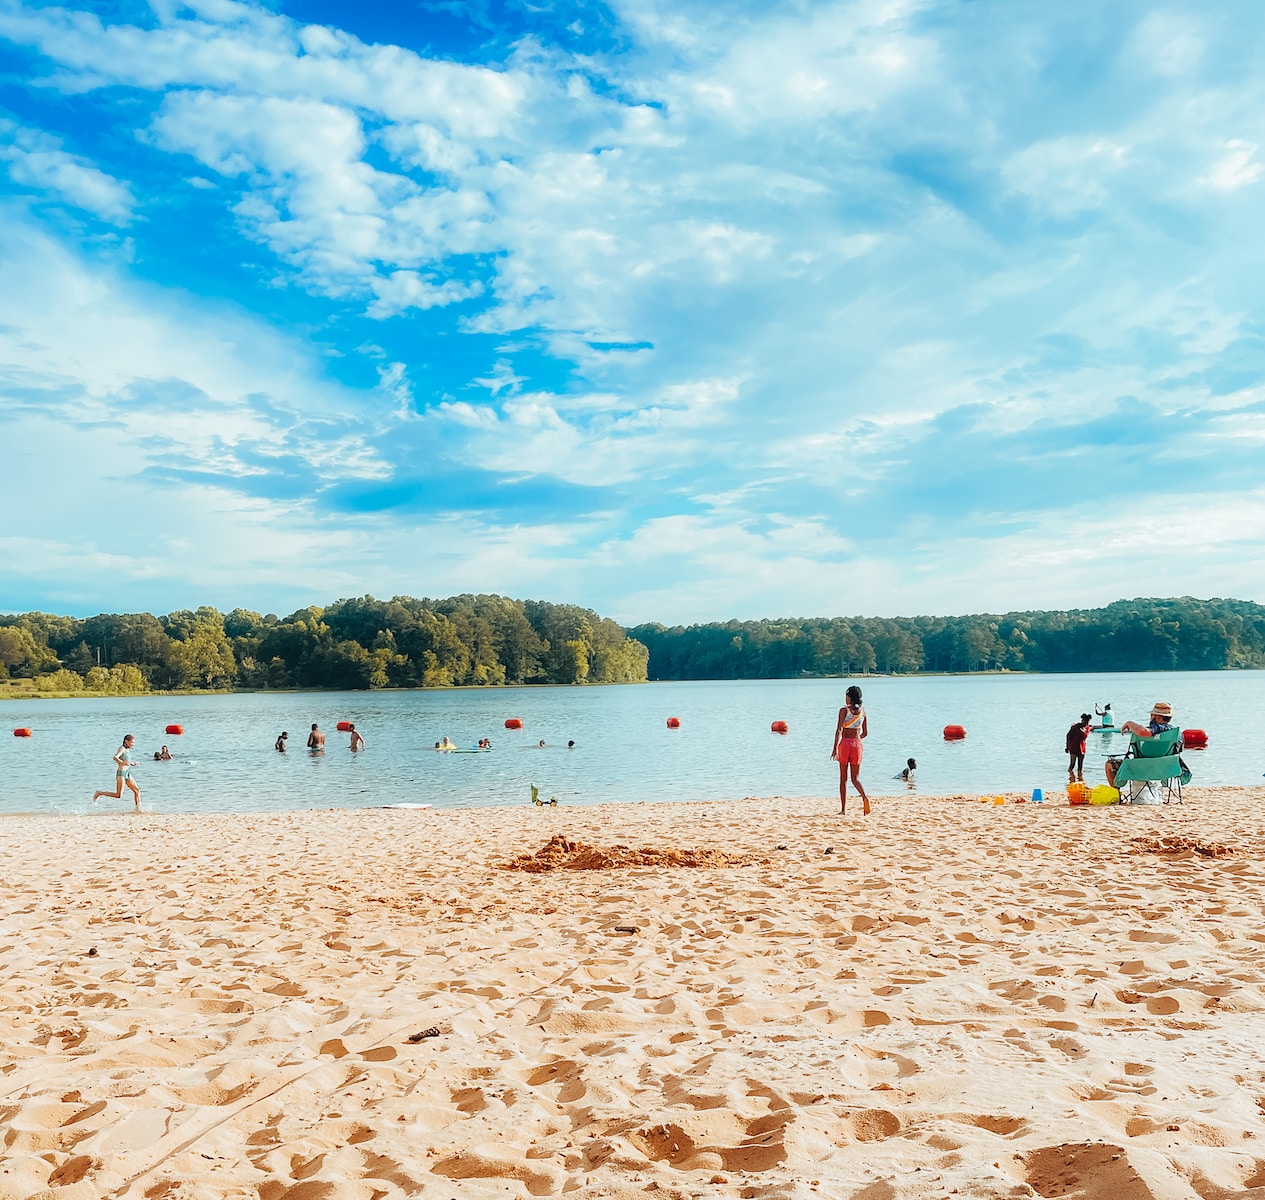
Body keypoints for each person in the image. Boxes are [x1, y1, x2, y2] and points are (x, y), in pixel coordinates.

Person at [1106, 702, 1174, 787]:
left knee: (1109, 764)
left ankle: (1115, 793)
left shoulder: (1157, 728)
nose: (1150, 718)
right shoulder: (1175, 733)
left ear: (1158, 716)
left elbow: (1143, 731)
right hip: (1167, 770)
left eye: (1151, 716)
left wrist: (1129, 723)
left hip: (1142, 769)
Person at [831, 685, 870, 816]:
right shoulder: (863, 711)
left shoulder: (844, 710)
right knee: (855, 778)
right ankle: (865, 797)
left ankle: (843, 809)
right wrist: (856, 741)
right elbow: (865, 733)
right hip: (857, 745)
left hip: (845, 744)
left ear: (849, 697)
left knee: (843, 779)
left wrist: (835, 748)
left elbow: (839, 730)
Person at [93, 734, 142, 812]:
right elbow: (115, 757)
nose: (133, 744)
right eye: (131, 742)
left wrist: (132, 763)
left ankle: (138, 809)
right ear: (126, 741)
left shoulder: (128, 750)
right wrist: (122, 763)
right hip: (121, 773)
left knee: (137, 790)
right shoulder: (122, 748)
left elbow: (127, 761)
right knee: (119, 795)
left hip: (128, 772)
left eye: (133, 743)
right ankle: (99, 793)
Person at [1065, 714, 1091, 781]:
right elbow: (1068, 736)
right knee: (1072, 764)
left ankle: (1080, 779)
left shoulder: (1087, 728)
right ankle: (1071, 778)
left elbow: (1085, 737)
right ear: (1082, 720)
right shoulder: (1075, 727)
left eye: (1087, 721)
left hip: (1082, 748)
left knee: (1080, 766)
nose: (1085, 723)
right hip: (1074, 747)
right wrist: (1067, 747)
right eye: (1084, 721)